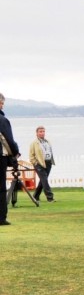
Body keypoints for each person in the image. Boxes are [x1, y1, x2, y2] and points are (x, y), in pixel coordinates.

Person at [0, 92, 22, 225]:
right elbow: (9, 140)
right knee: (1, 188)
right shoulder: (2, 120)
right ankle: (1, 217)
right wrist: (15, 153)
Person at [28, 125, 56, 202]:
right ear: (36, 133)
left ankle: (35, 196)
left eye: (43, 131)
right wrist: (35, 163)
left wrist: (50, 161)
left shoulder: (47, 141)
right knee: (44, 180)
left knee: (43, 180)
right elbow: (31, 155)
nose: (42, 133)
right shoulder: (34, 143)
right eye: (40, 132)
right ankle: (50, 197)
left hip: (48, 163)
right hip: (39, 164)